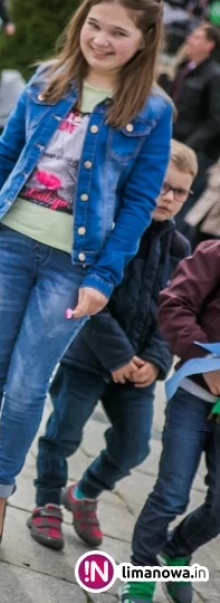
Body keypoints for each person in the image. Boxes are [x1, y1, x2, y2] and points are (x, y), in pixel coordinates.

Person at [0, 0, 173, 555]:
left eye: (118, 32)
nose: (100, 40)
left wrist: (104, 277)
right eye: (94, 25)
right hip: (10, 244)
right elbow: (4, 154)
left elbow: (138, 204)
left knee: (26, 388)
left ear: (146, 37)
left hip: (74, 266)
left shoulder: (152, 110)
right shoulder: (48, 79)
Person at [28, 141, 196, 551]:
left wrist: (156, 361)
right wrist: (117, 354)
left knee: (135, 445)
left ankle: (84, 493)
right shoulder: (107, 226)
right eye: (162, 186)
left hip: (140, 368)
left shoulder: (180, 248)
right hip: (87, 357)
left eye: (180, 192)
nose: (169, 197)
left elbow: (176, 309)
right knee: (63, 434)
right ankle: (47, 502)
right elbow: (84, 296)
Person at [120, 241, 220, 603]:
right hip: (194, 396)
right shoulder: (214, 254)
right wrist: (206, 362)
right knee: (171, 494)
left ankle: (177, 551)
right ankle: (142, 572)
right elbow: (175, 305)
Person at [164, 24, 220, 234]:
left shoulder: (214, 75)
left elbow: (216, 120)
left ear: (209, 45)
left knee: (180, 203)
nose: (189, 40)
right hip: (172, 144)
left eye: (196, 37)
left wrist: (191, 145)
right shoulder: (184, 68)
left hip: (197, 153)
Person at [183, 160, 220, 249]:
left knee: (208, 239)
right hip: (208, 202)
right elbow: (212, 175)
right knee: (192, 234)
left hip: (216, 212)